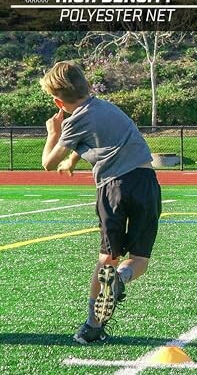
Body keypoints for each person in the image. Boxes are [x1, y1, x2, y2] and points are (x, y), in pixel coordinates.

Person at [40, 61, 162, 344]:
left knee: (107, 257)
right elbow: (97, 139)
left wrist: (53, 132)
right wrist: (73, 159)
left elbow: (48, 163)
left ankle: (93, 326)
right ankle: (122, 277)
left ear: (59, 101)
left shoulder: (72, 122)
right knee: (140, 259)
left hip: (113, 188)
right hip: (146, 182)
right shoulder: (109, 108)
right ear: (88, 86)